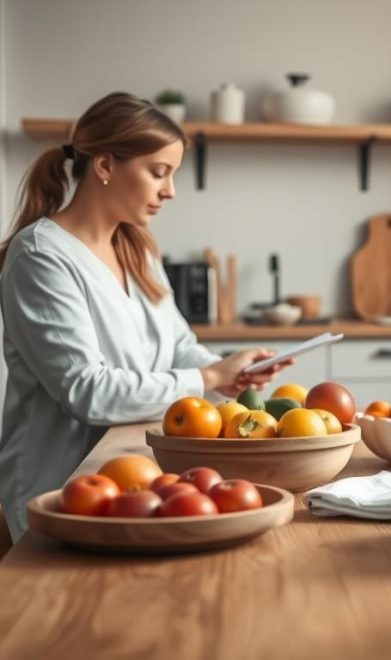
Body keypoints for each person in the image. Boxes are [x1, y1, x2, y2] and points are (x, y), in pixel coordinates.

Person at [0, 92, 290, 542]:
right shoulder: (41, 257)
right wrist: (208, 379)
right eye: (158, 172)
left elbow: (177, 346)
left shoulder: (135, 248)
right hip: (62, 493)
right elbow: (87, 391)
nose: (170, 191)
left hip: (138, 478)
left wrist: (232, 370)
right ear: (104, 166)